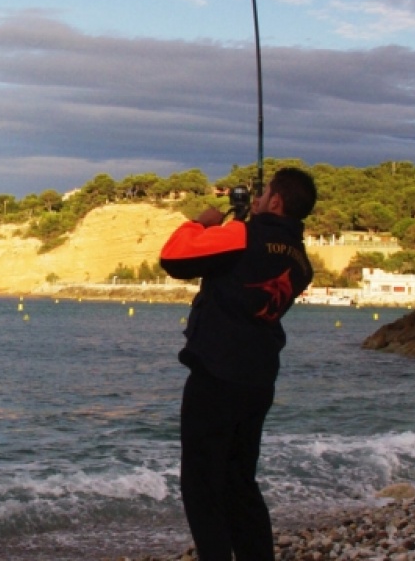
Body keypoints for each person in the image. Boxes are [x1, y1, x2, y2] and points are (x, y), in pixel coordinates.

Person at [158, 167, 316, 561]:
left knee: (201, 484)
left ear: (276, 202)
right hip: (258, 380)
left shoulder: (243, 235)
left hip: (216, 375)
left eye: (262, 197)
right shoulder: (301, 261)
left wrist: (203, 223)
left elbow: (173, 258)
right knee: (240, 483)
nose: (257, 201)